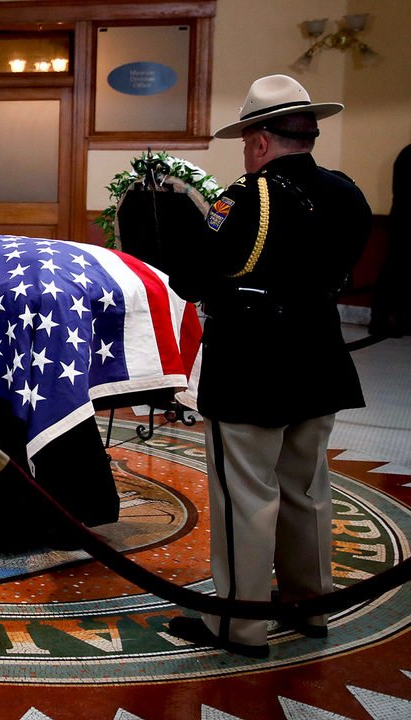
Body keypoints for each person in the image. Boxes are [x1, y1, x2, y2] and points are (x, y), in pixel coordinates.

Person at [166, 75, 372, 657]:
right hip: (320, 356)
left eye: (245, 142)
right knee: (306, 489)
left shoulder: (246, 197)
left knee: (247, 496)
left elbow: (192, 277)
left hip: (252, 364)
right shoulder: (346, 192)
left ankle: (239, 624)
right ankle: (310, 607)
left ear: (259, 140)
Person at [370, 144, 409, 337]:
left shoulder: (406, 154)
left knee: (395, 271)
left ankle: (388, 320)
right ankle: (387, 321)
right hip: (404, 224)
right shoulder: (408, 155)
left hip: (401, 222)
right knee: (396, 272)